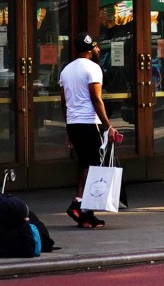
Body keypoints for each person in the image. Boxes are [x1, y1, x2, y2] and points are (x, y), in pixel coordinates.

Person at [58, 35, 117, 227]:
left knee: (86, 166)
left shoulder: (66, 70)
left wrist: (68, 129)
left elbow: (64, 102)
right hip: (88, 123)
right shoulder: (93, 68)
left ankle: (82, 210)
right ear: (90, 50)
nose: (99, 50)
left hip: (73, 124)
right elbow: (96, 99)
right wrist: (108, 126)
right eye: (97, 47)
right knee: (93, 167)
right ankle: (81, 207)